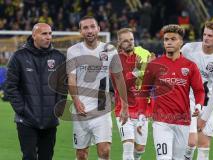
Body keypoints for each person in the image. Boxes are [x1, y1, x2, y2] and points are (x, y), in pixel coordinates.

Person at [137, 24, 205, 160]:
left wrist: (198, 105)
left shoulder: (190, 66)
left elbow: (199, 90)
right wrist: (141, 114)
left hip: (183, 121)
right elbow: (144, 91)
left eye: (173, 39)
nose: (168, 42)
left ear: (181, 42)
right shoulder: (154, 65)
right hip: (161, 121)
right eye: (166, 39)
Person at [67, 16, 129, 160]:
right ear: (80, 31)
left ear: (98, 29)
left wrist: (125, 105)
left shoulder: (110, 50)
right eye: (85, 28)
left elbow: (119, 78)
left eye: (92, 27)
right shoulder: (73, 51)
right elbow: (71, 78)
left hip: (102, 109)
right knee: (82, 154)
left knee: (105, 150)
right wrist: (75, 100)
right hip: (80, 110)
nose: (89, 31)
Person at [5, 23, 67, 160]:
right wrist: (22, 109)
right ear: (34, 35)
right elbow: (10, 86)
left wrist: (58, 109)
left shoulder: (58, 57)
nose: (48, 37)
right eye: (44, 34)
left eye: (50, 34)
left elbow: (63, 86)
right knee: (29, 157)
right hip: (26, 120)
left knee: (46, 157)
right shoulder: (19, 57)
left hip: (50, 119)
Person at [182, 21, 213, 160]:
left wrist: (204, 118)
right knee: (189, 142)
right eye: (204, 34)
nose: (206, 38)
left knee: (204, 145)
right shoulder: (188, 49)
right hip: (186, 99)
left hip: (206, 103)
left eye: (210, 35)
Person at [113, 28, 152, 160]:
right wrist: (139, 71)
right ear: (119, 42)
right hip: (123, 109)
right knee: (128, 146)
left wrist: (151, 67)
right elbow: (122, 83)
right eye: (125, 41)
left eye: (131, 40)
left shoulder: (142, 56)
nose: (130, 43)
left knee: (139, 149)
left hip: (142, 110)